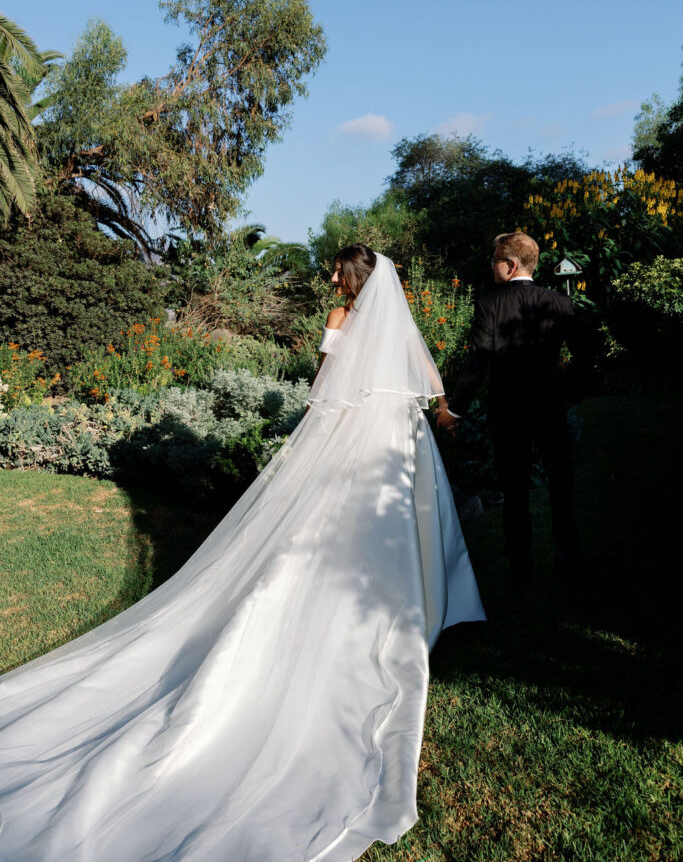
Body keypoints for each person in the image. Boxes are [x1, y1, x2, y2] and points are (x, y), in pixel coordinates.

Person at [0, 244, 484, 862]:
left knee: (321, 525)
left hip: (349, 435)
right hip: (397, 441)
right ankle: (406, 602)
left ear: (351, 276)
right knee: (392, 522)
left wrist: (313, 435)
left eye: (337, 269)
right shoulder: (399, 321)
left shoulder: (341, 319)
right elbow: (428, 377)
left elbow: (324, 387)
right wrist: (435, 411)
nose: (331, 277)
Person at [436, 231, 581, 584]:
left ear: (511, 265)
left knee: (514, 490)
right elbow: (588, 355)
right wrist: (566, 394)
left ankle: (519, 565)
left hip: (509, 411)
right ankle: (566, 557)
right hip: (551, 408)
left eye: (495, 260)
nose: (492, 265)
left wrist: (453, 410)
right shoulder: (560, 303)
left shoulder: (490, 305)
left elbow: (476, 364)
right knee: (561, 484)